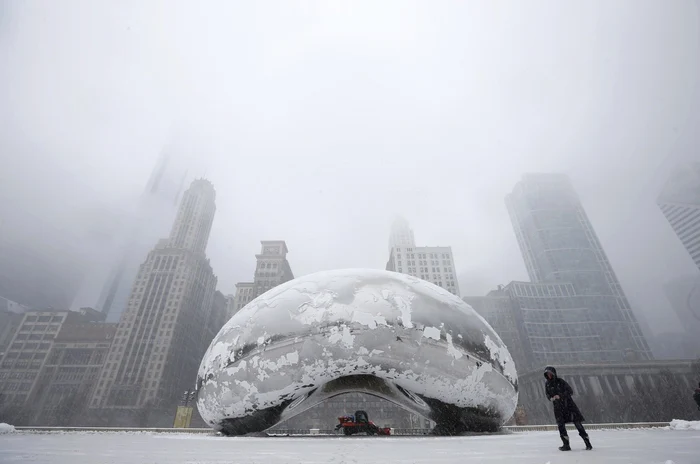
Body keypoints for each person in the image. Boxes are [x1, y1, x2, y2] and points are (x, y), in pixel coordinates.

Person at [544, 366, 592, 451]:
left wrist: (560, 396)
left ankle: (587, 442)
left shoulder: (560, 381)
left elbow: (570, 391)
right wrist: (552, 398)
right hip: (558, 408)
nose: (549, 375)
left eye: (550, 373)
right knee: (561, 426)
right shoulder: (547, 384)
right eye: (547, 374)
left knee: (577, 424)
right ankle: (566, 444)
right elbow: (547, 395)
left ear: (553, 373)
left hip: (569, 406)